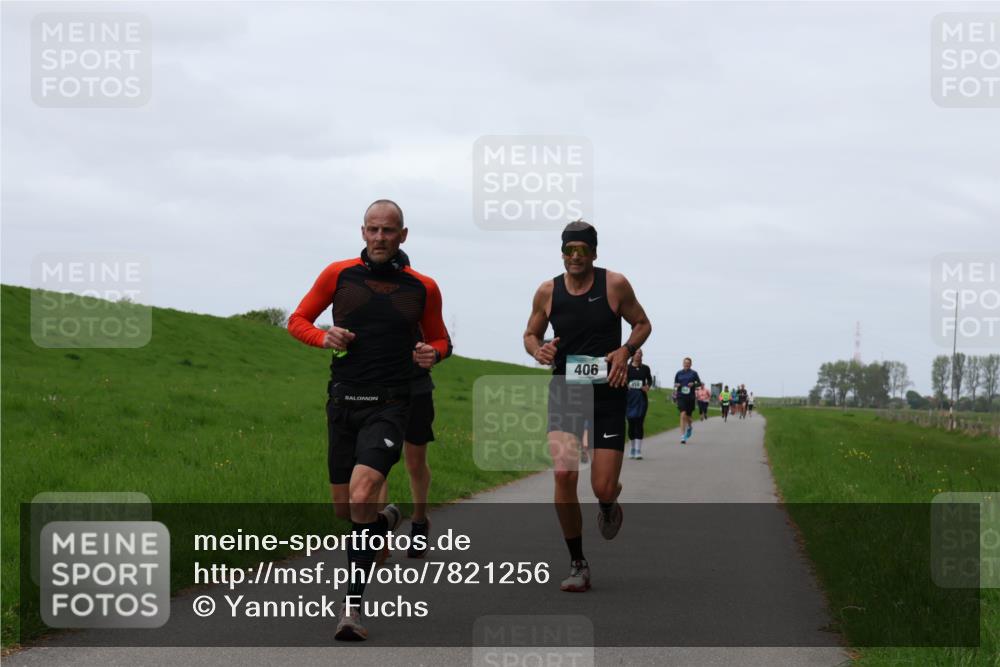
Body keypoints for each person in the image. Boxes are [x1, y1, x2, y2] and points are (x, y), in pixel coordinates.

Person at [288, 199, 451, 641]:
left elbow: (440, 337)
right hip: (344, 401)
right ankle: (385, 521)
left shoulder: (423, 287)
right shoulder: (338, 275)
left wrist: (433, 352)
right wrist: (323, 337)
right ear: (363, 232)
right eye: (373, 230)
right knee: (347, 509)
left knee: (362, 496)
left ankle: (351, 609)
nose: (380, 238)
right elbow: (297, 320)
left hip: (390, 403)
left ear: (403, 235)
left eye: (389, 231)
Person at [524, 220, 652, 593]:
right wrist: (539, 349)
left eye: (583, 249)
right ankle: (578, 562)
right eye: (569, 249)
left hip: (608, 392)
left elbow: (642, 323)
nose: (575, 256)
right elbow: (530, 333)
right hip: (566, 388)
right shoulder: (548, 291)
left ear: (594, 252)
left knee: (602, 486)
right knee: (564, 474)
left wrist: (625, 351)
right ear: (562, 252)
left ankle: (610, 504)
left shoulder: (614, 284)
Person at [625, 349, 653, 459]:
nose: (639, 355)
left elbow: (650, 380)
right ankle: (632, 448)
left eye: (640, 353)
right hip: (629, 398)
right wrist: (626, 385)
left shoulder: (645, 368)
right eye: (637, 353)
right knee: (631, 423)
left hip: (641, 398)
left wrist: (647, 386)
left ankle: (638, 450)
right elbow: (623, 379)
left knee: (639, 422)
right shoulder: (627, 367)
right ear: (633, 355)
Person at [673, 357, 702, 444]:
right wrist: (677, 385)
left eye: (688, 363)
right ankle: (682, 436)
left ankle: (689, 426)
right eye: (685, 362)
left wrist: (693, 384)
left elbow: (699, 383)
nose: (686, 364)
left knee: (688, 416)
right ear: (683, 363)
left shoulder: (694, 373)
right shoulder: (679, 373)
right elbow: (675, 383)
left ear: (690, 364)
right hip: (681, 396)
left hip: (690, 397)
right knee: (682, 414)